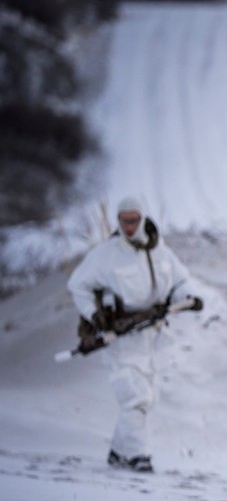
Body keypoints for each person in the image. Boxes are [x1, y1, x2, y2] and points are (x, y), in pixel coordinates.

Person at [67, 195, 202, 473]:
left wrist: (188, 296)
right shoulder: (107, 255)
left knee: (147, 398)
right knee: (135, 398)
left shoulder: (160, 251)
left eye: (133, 220)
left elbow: (181, 280)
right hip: (121, 340)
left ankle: (119, 451)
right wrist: (95, 315)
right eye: (123, 220)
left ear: (142, 219)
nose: (128, 226)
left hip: (152, 337)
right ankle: (140, 456)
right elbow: (77, 284)